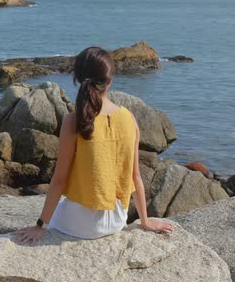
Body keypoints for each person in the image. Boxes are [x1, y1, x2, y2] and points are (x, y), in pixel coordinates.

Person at [13, 47, 174, 243]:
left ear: (78, 79)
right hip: (116, 219)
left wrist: (40, 226)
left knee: (57, 212)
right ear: (110, 80)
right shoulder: (129, 118)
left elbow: (58, 180)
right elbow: (135, 177)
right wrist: (145, 220)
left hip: (82, 224)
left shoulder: (73, 121)